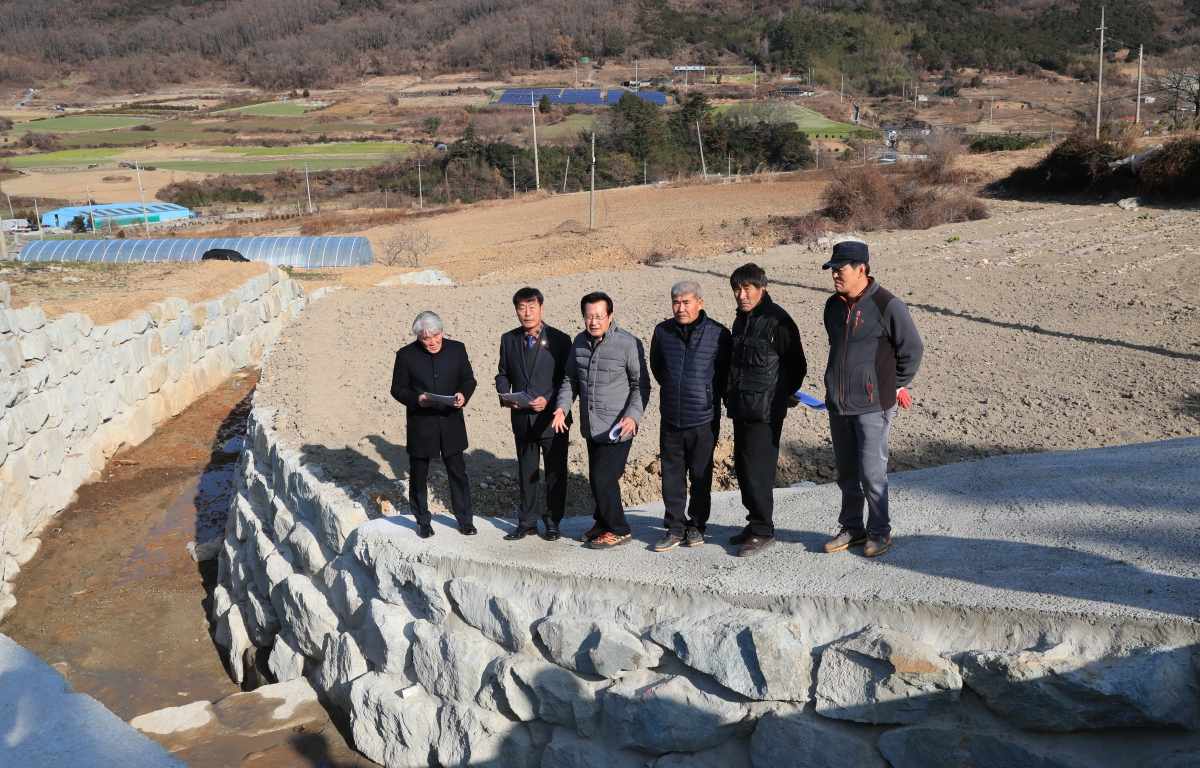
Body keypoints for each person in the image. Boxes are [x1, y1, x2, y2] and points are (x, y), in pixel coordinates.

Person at [820, 241, 923, 558]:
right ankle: (852, 528)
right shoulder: (833, 306)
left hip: (873, 406)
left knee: (871, 472)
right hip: (838, 405)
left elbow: (912, 350)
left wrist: (892, 385)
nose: (835, 273)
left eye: (841, 268)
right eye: (833, 268)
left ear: (861, 269)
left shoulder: (887, 304)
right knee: (847, 473)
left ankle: (880, 531)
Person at [552, 292, 651, 550]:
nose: (593, 321)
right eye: (588, 316)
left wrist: (633, 415)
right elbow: (570, 380)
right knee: (598, 478)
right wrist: (562, 408)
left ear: (610, 316)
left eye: (599, 316)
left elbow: (641, 384)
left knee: (602, 479)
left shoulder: (628, 344)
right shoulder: (580, 342)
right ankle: (603, 521)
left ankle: (619, 528)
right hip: (591, 425)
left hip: (618, 426)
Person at [724, 263, 807, 557]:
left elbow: (797, 364)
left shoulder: (778, 321)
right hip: (742, 407)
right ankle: (753, 522)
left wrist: (784, 393)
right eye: (737, 288)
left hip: (766, 411)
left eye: (747, 288)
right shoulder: (741, 321)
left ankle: (763, 530)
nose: (741, 294)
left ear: (762, 288)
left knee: (759, 471)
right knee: (745, 469)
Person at [648, 280, 731, 552]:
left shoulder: (718, 334)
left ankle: (697, 526)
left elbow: (723, 373)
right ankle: (674, 527)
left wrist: (705, 395)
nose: (680, 308)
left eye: (686, 302)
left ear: (700, 303)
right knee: (671, 476)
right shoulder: (662, 332)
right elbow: (658, 369)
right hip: (671, 417)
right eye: (676, 302)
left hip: (703, 419)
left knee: (700, 476)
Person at [389, 311, 479, 538]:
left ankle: (465, 520)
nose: (432, 342)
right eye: (426, 338)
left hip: (451, 423)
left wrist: (463, 395)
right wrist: (417, 400)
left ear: (442, 331)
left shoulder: (457, 349)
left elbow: (468, 379)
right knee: (418, 476)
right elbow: (398, 389)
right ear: (418, 337)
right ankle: (422, 521)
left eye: (436, 335)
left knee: (458, 474)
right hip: (421, 425)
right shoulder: (405, 355)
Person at [495, 287, 574, 541]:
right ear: (516, 310)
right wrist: (505, 396)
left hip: (553, 419)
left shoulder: (560, 339)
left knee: (554, 474)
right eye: (521, 308)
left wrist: (549, 401)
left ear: (541, 308)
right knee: (526, 472)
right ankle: (527, 522)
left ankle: (552, 522)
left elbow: (568, 379)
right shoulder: (508, 339)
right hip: (521, 420)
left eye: (532, 307)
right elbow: (502, 374)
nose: (527, 313)